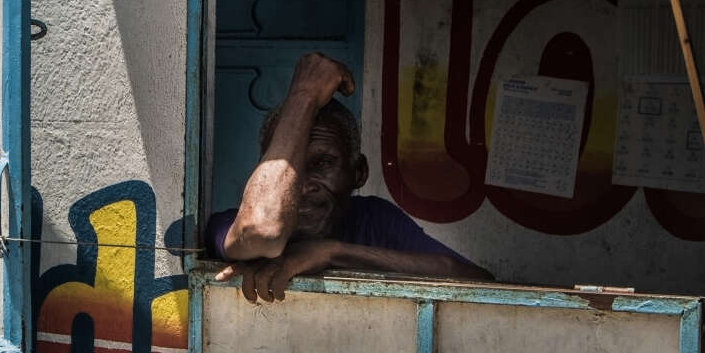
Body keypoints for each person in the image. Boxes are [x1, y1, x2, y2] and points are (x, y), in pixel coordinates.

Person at [208, 52, 492, 303]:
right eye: (286, 169)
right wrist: (304, 92)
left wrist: (330, 253)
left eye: (322, 164)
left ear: (358, 172)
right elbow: (262, 231)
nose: (303, 186)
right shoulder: (232, 224)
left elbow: (478, 281)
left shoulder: (372, 219)